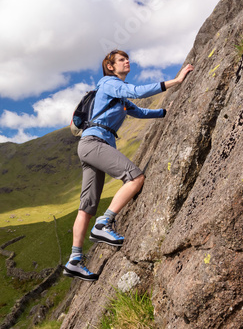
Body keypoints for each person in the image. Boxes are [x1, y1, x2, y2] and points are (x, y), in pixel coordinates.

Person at [63, 50, 194, 281]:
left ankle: (74, 260)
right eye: (122, 60)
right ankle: (104, 223)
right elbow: (136, 91)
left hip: (88, 145)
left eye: (127, 59)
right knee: (135, 178)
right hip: (95, 143)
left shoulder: (119, 97)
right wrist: (176, 81)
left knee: (87, 207)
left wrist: (164, 112)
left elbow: (139, 111)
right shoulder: (109, 83)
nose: (127, 62)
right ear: (110, 66)